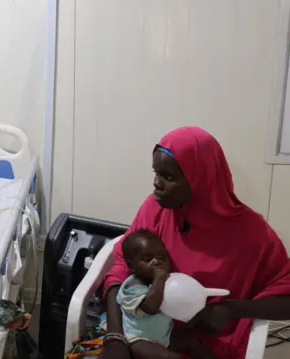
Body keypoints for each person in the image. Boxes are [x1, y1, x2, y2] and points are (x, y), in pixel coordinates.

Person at [100, 127, 290, 359]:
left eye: (168, 177)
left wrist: (234, 309)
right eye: (156, 173)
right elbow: (121, 268)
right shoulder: (156, 209)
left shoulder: (251, 232)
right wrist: (115, 336)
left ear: (201, 178)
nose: (156, 184)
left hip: (208, 345)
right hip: (145, 334)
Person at [117, 229, 215, 359]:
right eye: (148, 259)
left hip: (164, 335)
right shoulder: (133, 286)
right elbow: (150, 307)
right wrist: (159, 279)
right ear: (132, 266)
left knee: (192, 342)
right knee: (169, 357)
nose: (157, 262)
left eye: (162, 257)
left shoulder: (166, 280)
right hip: (139, 339)